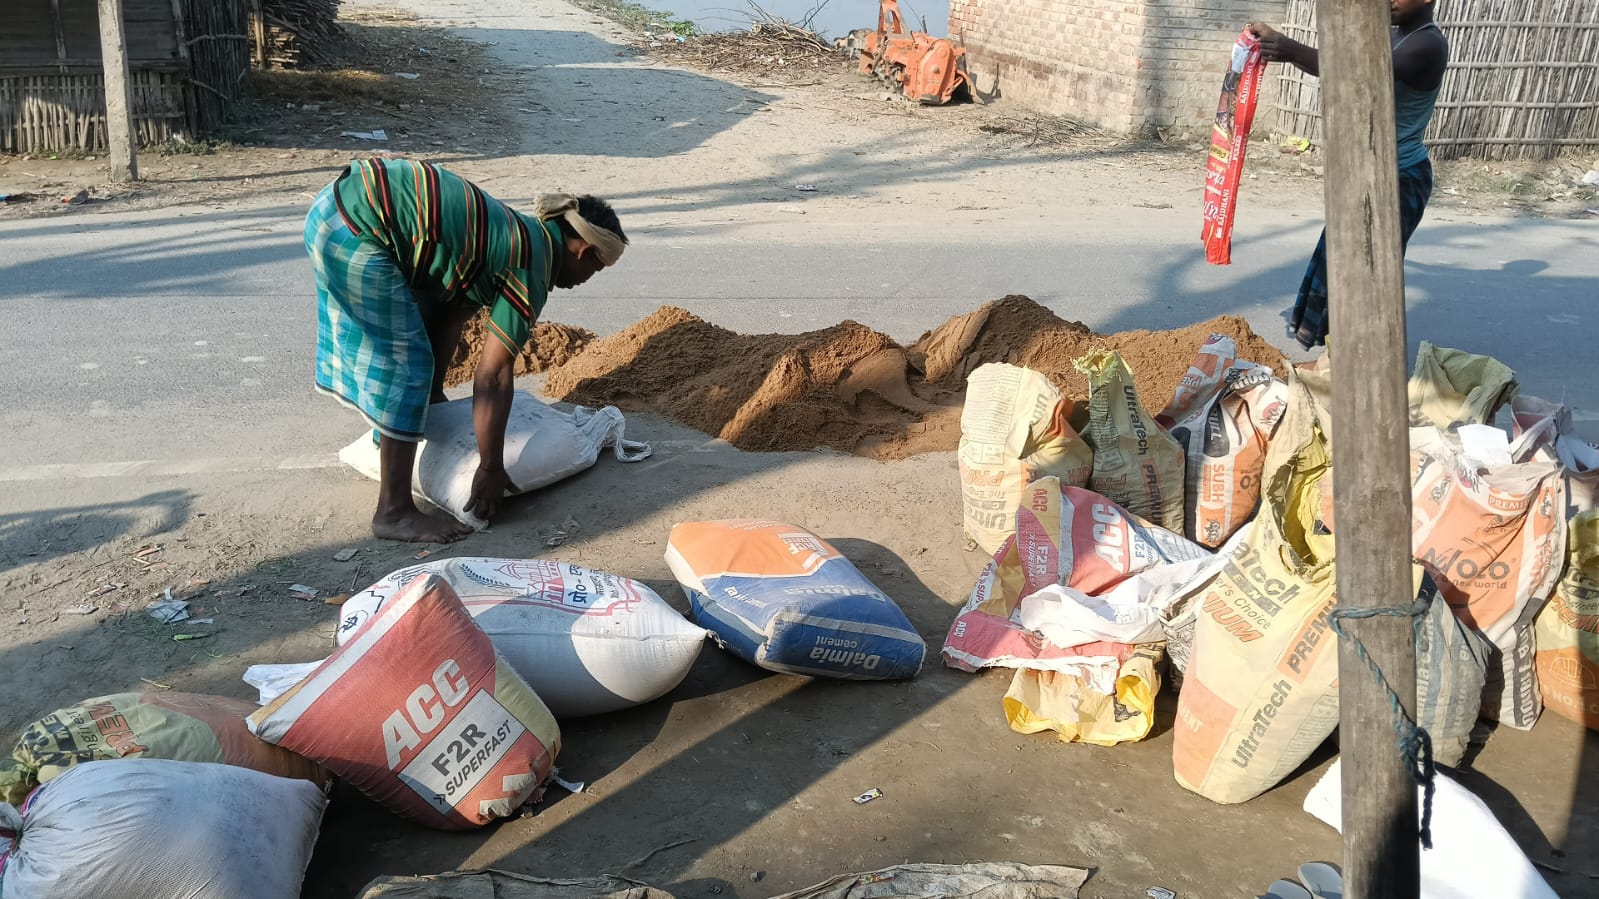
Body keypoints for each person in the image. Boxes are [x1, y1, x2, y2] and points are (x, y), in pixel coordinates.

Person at [305, 157, 627, 543]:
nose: (583, 282)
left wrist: (431, 402)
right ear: (584, 252)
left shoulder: (514, 235)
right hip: (358, 227)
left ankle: (392, 435)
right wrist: (491, 468)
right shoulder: (532, 263)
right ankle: (394, 511)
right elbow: (493, 375)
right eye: (594, 271)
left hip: (334, 211)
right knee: (405, 366)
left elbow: (447, 315)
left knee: (415, 359)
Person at [1249, 0, 1449, 349]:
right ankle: (1343, 366)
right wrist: (1285, 51)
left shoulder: (1427, 45)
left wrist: (1290, 48)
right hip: (1368, 174)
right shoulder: (1390, 34)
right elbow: (1339, 65)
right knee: (1345, 273)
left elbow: (1360, 70)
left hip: (1398, 179)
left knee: (1367, 282)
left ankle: (1370, 374)